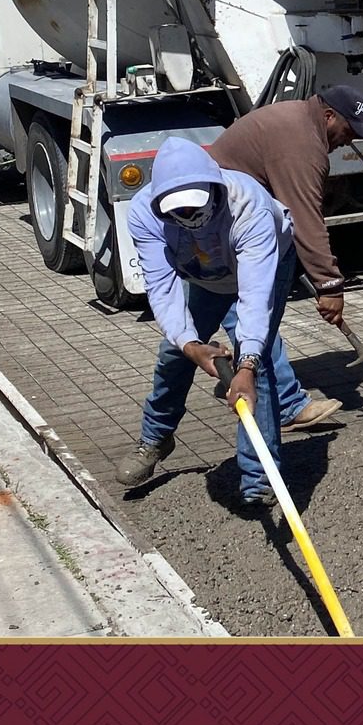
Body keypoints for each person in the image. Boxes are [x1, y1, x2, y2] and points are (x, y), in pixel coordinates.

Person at [113, 137, 296, 508]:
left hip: (264, 269)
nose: (188, 218)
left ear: (214, 187)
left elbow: (255, 295)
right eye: (177, 211)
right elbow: (162, 288)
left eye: (194, 206)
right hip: (204, 277)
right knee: (174, 355)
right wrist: (191, 345)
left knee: (256, 372)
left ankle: (259, 479)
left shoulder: (248, 206)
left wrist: (245, 364)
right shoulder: (144, 214)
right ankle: (156, 438)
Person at [206, 85, 363, 429]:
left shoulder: (301, 122)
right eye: (348, 131)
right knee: (254, 319)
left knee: (243, 320)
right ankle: (284, 404)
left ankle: (233, 378)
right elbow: (305, 219)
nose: (348, 141)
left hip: (230, 221)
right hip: (221, 229)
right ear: (329, 116)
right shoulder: (302, 144)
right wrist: (329, 284)